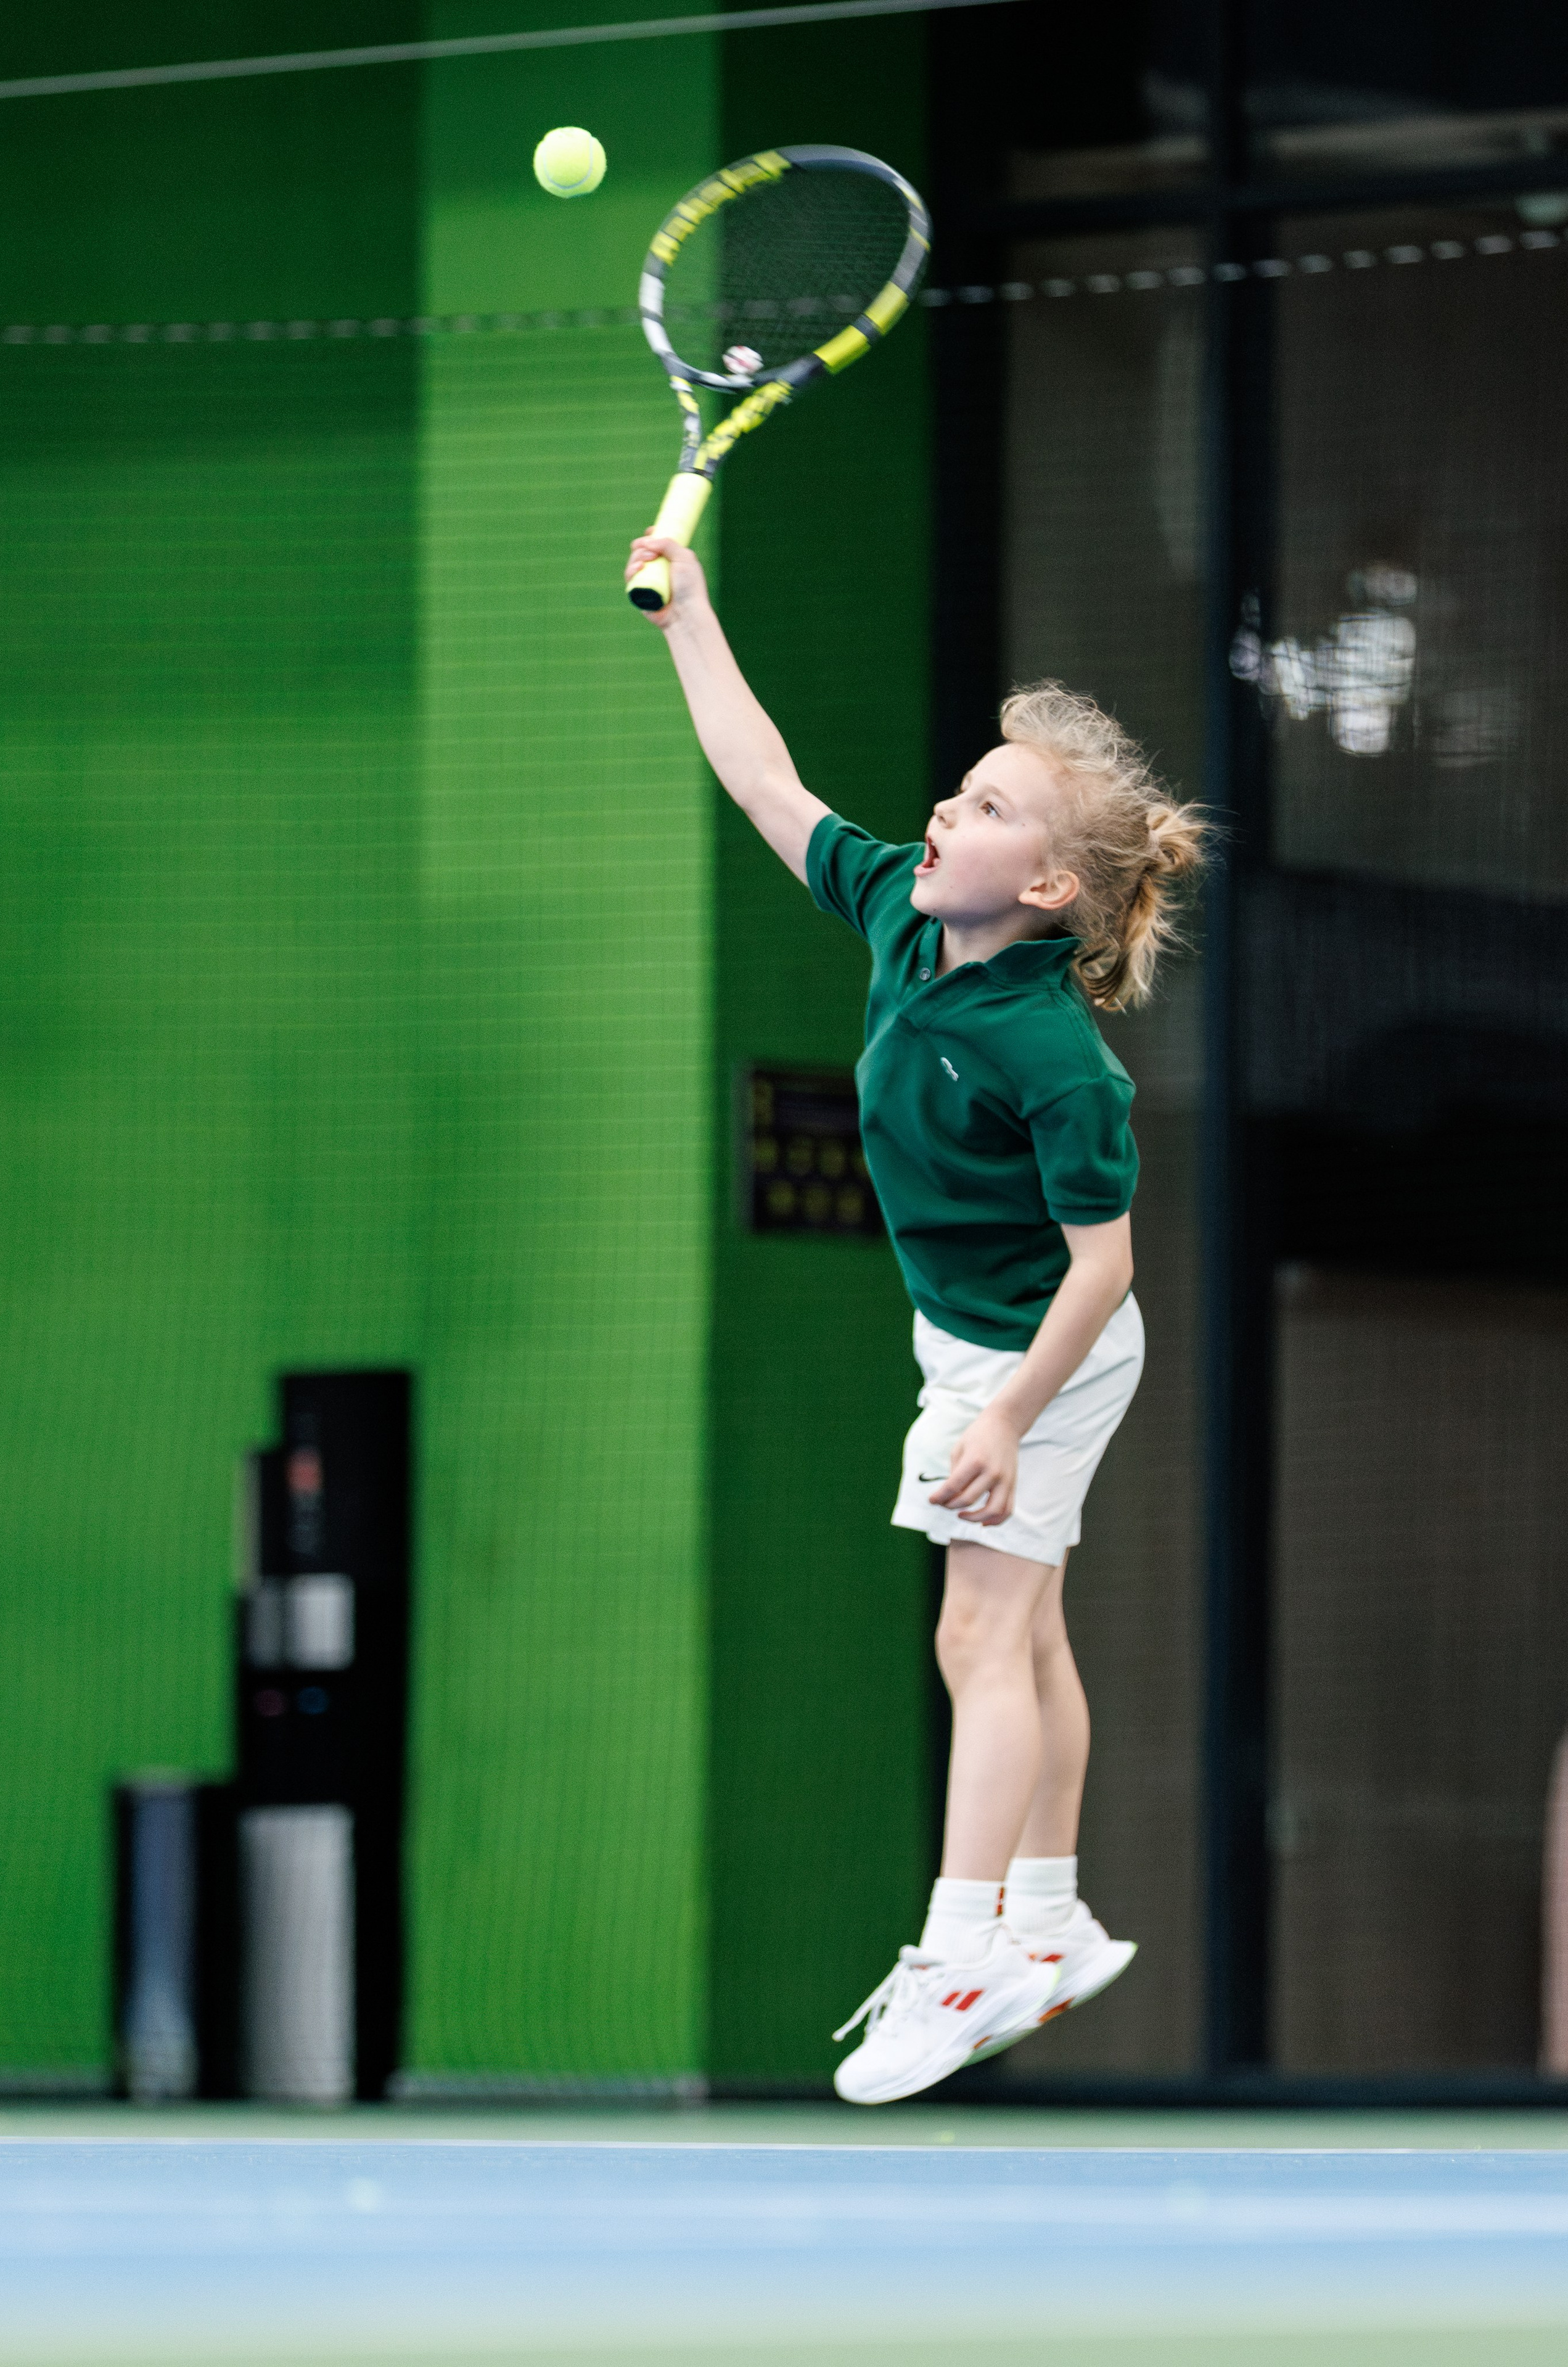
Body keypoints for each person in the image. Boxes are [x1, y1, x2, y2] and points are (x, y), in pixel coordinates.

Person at [627, 530, 1207, 2106]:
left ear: (1049, 888)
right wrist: (689, 619)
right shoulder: (897, 905)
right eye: (959, 788)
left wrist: (1007, 1417)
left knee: (977, 1630)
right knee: (1026, 1624)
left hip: (1043, 1350)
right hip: (968, 1337)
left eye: (990, 806)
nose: (947, 809)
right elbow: (763, 779)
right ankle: (1048, 1913)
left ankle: (959, 1958)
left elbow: (1104, 1268)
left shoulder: (1057, 1059)